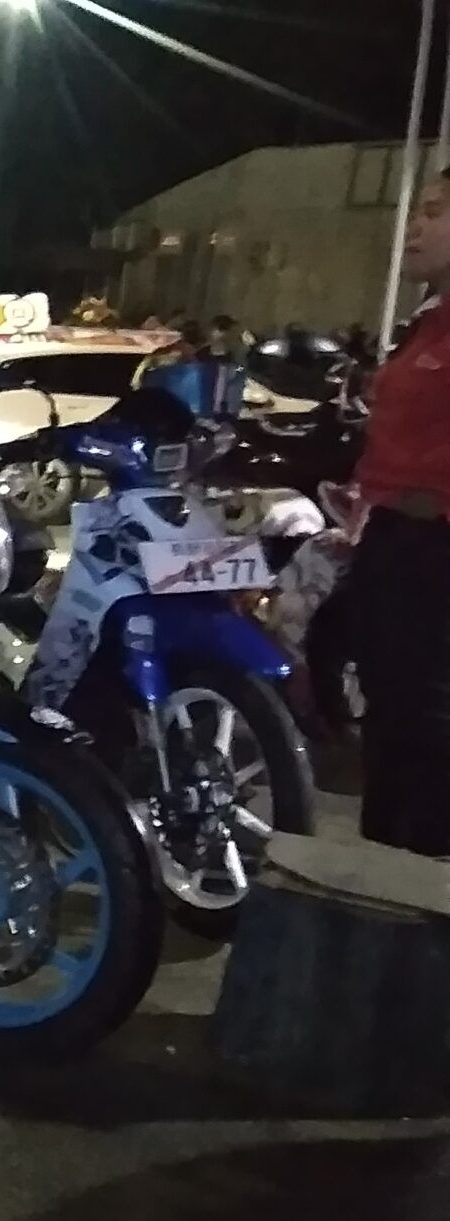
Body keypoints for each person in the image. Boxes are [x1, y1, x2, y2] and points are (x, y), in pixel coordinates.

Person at [345, 168, 450, 855]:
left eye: (435, 212)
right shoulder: (430, 322)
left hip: (434, 549)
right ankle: (386, 870)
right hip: (395, 538)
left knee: (427, 722)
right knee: (391, 711)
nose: (414, 226)